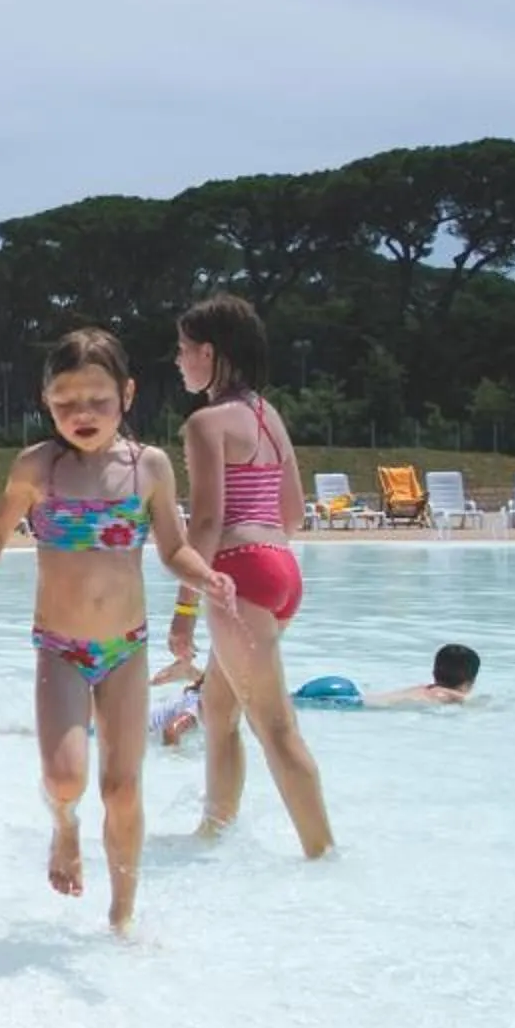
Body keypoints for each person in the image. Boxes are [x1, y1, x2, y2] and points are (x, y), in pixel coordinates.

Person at [0, 328, 230, 936]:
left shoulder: (149, 468)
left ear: (127, 394)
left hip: (126, 649)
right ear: (46, 401)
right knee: (64, 776)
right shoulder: (38, 468)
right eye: (65, 401)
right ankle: (65, 826)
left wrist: (204, 580)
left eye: (98, 399)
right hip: (61, 649)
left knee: (122, 788)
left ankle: (122, 916)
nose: (83, 413)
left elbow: (173, 549)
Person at [177, 294, 334, 857]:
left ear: (208, 352)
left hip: (236, 572)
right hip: (281, 569)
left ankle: (324, 855)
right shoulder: (270, 417)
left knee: (276, 727)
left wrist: (184, 610)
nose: (178, 361)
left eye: (182, 349)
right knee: (218, 710)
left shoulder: (206, 423)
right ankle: (214, 834)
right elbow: (293, 514)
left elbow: (207, 522)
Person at [293, 645, 482, 711]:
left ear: (434, 673)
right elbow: (472, 703)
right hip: (349, 702)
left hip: (347, 694)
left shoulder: (424, 689)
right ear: (470, 681)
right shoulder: (445, 695)